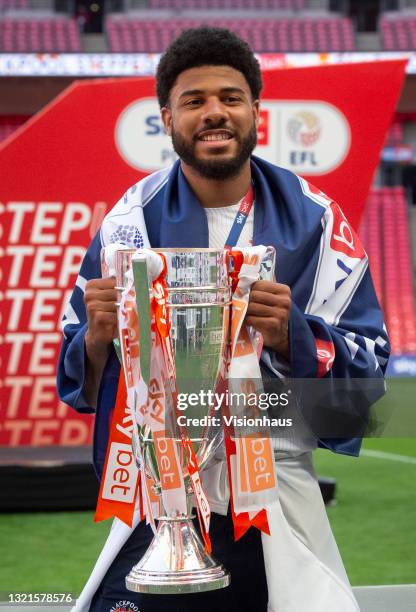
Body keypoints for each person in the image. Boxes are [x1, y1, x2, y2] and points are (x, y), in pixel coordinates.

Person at [58, 27, 390, 612]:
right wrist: (98, 338)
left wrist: (296, 337)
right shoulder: (128, 224)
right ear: (167, 117)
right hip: (160, 493)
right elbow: (75, 370)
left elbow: (372, 378)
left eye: (231, 98)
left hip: (275, 488)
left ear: (255, 110)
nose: (215, 113)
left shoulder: (318, 223)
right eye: (195, 100)